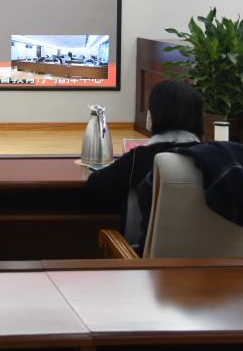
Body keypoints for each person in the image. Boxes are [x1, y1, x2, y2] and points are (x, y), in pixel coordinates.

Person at [85, 79, 203, 251]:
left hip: (146, 264)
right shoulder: (209, 157)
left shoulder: (140, 158)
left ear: (155, 115)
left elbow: (95, 184)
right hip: (207, 264)